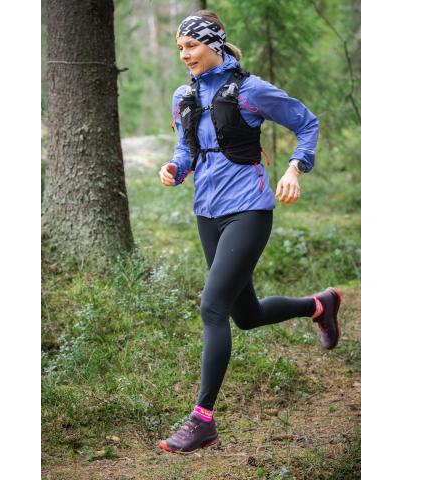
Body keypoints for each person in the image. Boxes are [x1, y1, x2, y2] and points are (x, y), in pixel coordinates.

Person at [157, 10, 341, 454]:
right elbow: (186, 148)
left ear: (214, 44)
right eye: (180, 48)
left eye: (192, 46)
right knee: (246, 314)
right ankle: (320, 305)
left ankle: (202, 420)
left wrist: (295, 168)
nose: (185, 55)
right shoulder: (184, 95)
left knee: (212, 307)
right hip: (207, 212)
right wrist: (176, 168)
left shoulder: (250, 89)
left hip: (248, 210)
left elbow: (307, 122)